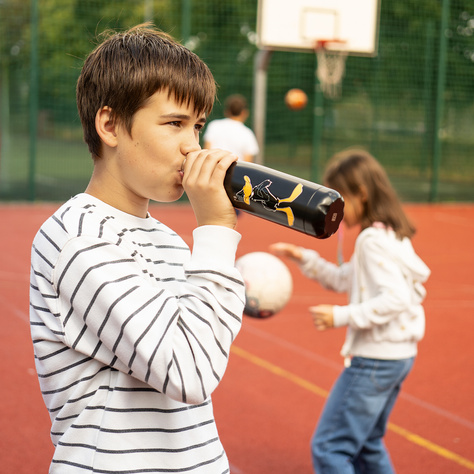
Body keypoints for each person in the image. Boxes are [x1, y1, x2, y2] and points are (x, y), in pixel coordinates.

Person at [29, 24, 246, 473]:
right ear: (110, 125)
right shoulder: (79, 238)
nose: (193, 147)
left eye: (198, 126)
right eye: (174, 124)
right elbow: (190, 371)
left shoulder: (167, 239)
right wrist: (218, 229)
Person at [270, 149, 430, 473]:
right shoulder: (390, 235)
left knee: (330, 448)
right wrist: (305, 258)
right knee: (368, 443)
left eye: (339, 200)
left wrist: (341, 316)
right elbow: (347, 279)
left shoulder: (371, 241)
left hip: (375, 360)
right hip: (398, 356)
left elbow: (395, 298)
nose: (334, 209)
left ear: (362, 194)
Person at [203, 94, 259, 163]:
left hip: (212, 169)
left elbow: (207, 150)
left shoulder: (214, 125)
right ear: (244, 113)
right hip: (235, 172)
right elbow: (248, 161)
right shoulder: (248, 133)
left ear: (227, 111)